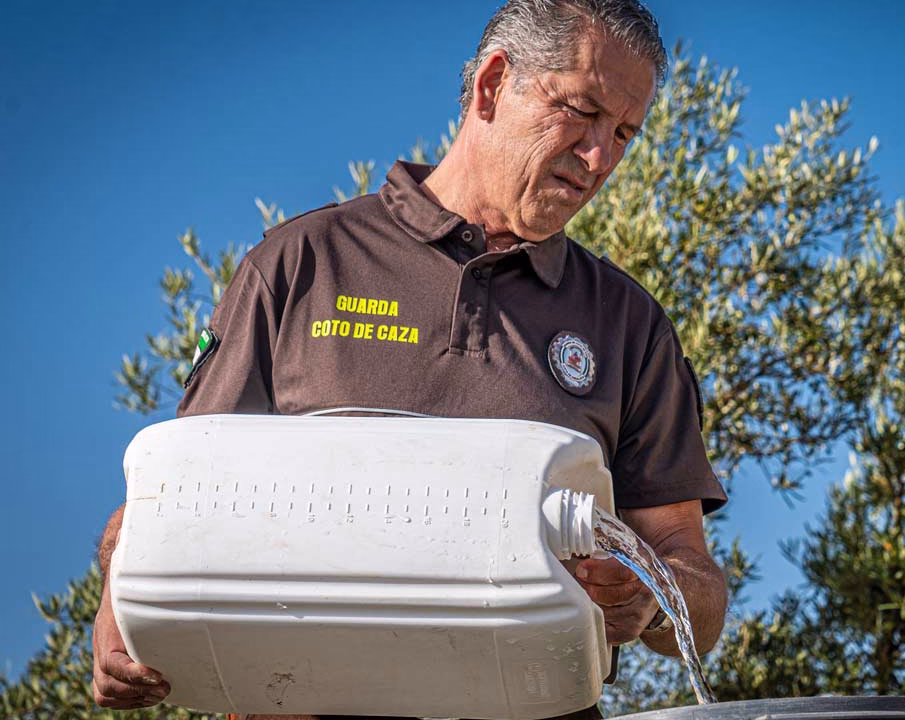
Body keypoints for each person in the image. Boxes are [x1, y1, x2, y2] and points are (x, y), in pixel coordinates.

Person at [91, 1, 728, 718]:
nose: (600, 157)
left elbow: (692, 584)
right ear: (493, 85)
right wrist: (118, 601)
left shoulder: (627, 323)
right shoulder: (302, 264)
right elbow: (177, 492)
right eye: (582, 112)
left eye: (623, 133)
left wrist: (649, 597)